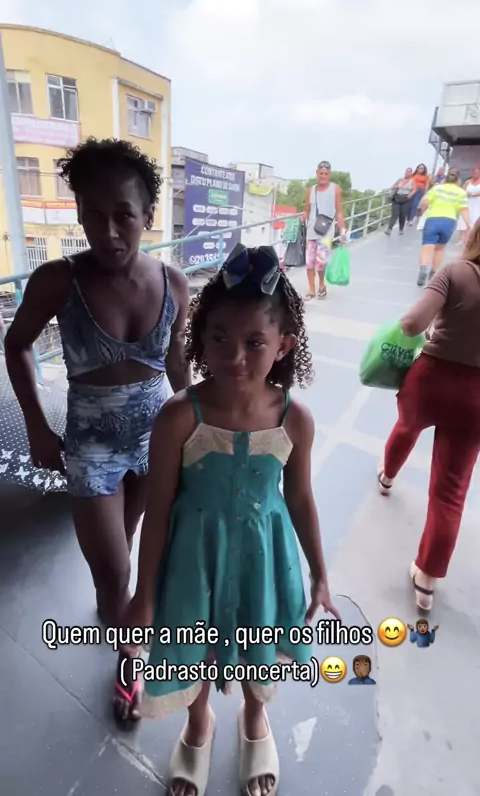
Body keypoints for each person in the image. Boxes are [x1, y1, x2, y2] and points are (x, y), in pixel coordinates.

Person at [121, 243, 340, 793]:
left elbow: (301, 499)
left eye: (254, 342)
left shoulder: (295, 419)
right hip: (192, 559)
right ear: (201, 336)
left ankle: (253, 716)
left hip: (265, 558)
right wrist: (143, 595)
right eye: (219, 337)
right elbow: (158, 508)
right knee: (193, 643)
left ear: (284, 344)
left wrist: (320, 572)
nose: (234, 355)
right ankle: (199, 723)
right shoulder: (179, 416)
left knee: (256, 640)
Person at [4, 138, 191, 693]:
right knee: (113, 568)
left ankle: (117, 614)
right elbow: (16, 345)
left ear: (149, 215)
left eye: (123, 216)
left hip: (156, 439)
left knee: (130, 544)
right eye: (93, 216)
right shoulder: (59, 280)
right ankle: (129, 657)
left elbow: (177, 363)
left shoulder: (174, 283)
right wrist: (37, 425)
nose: (107, 232)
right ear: (79, 213)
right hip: (90, 448)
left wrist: (202, 424)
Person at [377, 220, 480, 611]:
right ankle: (427, 579)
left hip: (432, 378)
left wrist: (430, 336)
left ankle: (387, 477)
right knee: (451, 491)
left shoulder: (455, 272)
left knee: (407, 427)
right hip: (476, 398)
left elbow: (411, 324)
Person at [416, 168, 471, 285]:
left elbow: (425, 202)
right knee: (440, 249)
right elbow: (464, 210)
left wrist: (422, 211)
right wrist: (469, 225)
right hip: (449, 222)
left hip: (433, 219)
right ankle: (433, 272)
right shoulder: (461, 192)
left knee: (427, 246)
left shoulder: (437, 188)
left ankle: (423, 268)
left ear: (446, 177)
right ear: (458, 179)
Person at [303, 161, 346, 300]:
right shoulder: (310, 191)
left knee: (320, 263)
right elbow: (306, 210)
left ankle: (321, 284)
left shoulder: (335, 189)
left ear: (329, 174)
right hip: (311, 231)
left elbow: (339, 211)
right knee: (309, 262)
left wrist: (342, 230)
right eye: (320, 173)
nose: (323, 176)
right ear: (317, 173)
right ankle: (311, 290)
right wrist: (302, 217)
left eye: (325, 174)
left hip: (326, 232)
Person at [385, 168, 414, 236]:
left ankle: (401, 229)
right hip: (397, 197)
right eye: (406, 171)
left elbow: (414, 190)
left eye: (409, 172)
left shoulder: (412, 181)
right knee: (394, 214)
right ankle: (389, 229)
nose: (407, 173)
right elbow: (393, 187)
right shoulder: (400, 179)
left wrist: (410, 195)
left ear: (411, 173)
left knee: (402, 215)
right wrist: (396, 186)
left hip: (406, 199)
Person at [463, 166, 480, 239]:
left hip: (477, 204)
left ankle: (474, 238)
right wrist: (466, 194)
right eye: (474, 172)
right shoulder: (468, 182)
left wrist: (474, 194)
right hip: (468, 203)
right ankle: (464, 238)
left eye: (477, 173)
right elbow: (463, 191)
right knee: (466, 220)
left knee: (476, 220)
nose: (475, 174)